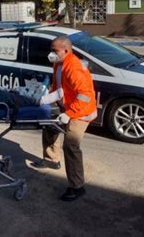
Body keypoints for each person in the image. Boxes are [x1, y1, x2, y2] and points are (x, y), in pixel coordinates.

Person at [32, 36, 97, 202]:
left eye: (55, 50)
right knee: (49, 127)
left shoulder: (74, 67)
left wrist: (69, 114)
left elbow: (85, 96)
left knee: (71, 145)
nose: (51, 53)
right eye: (51, 50)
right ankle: (51, 159)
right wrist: (46, 99)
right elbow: (62, 88)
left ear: (66, 50)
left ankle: (77, 186)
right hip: (66, 105)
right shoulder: (59, 64)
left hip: (81, 112)